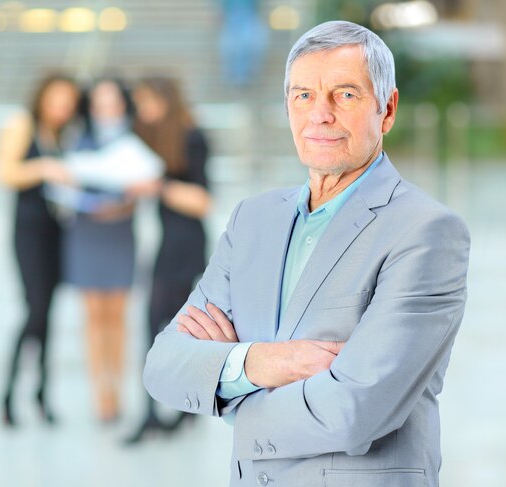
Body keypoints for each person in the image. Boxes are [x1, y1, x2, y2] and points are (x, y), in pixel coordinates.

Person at [143, 21, 470, 487]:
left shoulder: (427, 231)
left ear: (388, 108)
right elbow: (163, 366)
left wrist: (224, 380)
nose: (321, 114)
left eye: (346, 94)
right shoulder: (251, 220)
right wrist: (262, 362)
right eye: (303, 96)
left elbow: (355, 411)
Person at [125, 77, 212, 443]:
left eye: (148, 102)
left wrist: (160, 188)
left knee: (170, 329)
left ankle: (171, 411)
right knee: (158, 327)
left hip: (185, 245)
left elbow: (203, 200)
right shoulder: (154, 138)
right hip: (166, 242)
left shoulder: (192, 137)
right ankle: (159, 412)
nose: (144, 110)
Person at [0, 74, 79, 426]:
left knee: (49, 314)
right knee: (35, 311)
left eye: (68, 102)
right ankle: (9, 393)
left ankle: (42, 394)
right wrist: (44, 168)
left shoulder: (63, 134)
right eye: (57, 99)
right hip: (28, 232)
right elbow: (5, 172)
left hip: (56, 231)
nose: (62, 108)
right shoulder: (22, 124)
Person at [62, 78, 136, 422]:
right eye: (99, 104)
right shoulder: (79, 138)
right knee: (92, 314)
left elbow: (141, 184)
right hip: (87, 231)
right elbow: (67, 181)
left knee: (117, 314)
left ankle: (117, 389)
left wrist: (124, 204)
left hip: (120, 231)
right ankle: (100, 392)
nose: (107, 111)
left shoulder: (134, 138)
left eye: (113, 103)